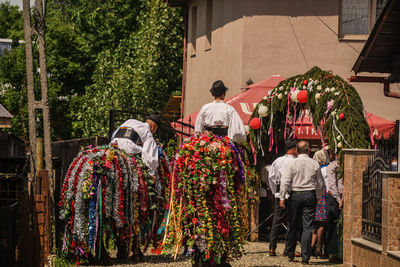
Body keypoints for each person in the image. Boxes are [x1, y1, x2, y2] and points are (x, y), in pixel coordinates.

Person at [279, 140, 325, 264]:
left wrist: (282, 197)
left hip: (295, 195)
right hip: (310, 194)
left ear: (297, 151)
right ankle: (305, 257)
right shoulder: (314, 163)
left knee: (293, 224)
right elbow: (320, 183)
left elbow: (285, 181)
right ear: (308, 150)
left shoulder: (292, 163)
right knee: (308, 227)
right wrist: (318, 196)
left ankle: (290, 253)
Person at [267, 139, 298, 257]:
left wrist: (276, 192)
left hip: (279, 191)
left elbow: (272, 178)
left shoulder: (277, 161)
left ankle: (272, 247)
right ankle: (289, 249)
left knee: (277, 220)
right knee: (292, 221)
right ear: (293, 149)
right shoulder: (296, 162)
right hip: (292, 191)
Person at [311, 149, 330, 257]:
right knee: (322, 223)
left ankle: (311, 246)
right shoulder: (326, 169)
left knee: (315, 223)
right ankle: (318, 247)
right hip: (323, 197)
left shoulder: (315, 168)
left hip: (315, 196)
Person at [325, 155, 343, 262]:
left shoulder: (343, 165)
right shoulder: (332, 166)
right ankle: (329, 252)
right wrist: (338, 199)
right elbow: (332, 184)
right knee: (331, 226)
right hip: (334, 198)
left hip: (342, 196)